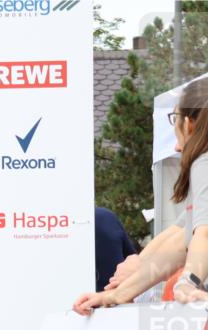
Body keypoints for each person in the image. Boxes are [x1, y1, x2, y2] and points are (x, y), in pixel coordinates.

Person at [75, 78, 208, 310]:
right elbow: (180, 240)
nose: (177, 147)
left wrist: (188, 282)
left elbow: (204, 235)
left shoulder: (203, 164)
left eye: (174, 119)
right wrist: (116, 293)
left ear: (189, 124)